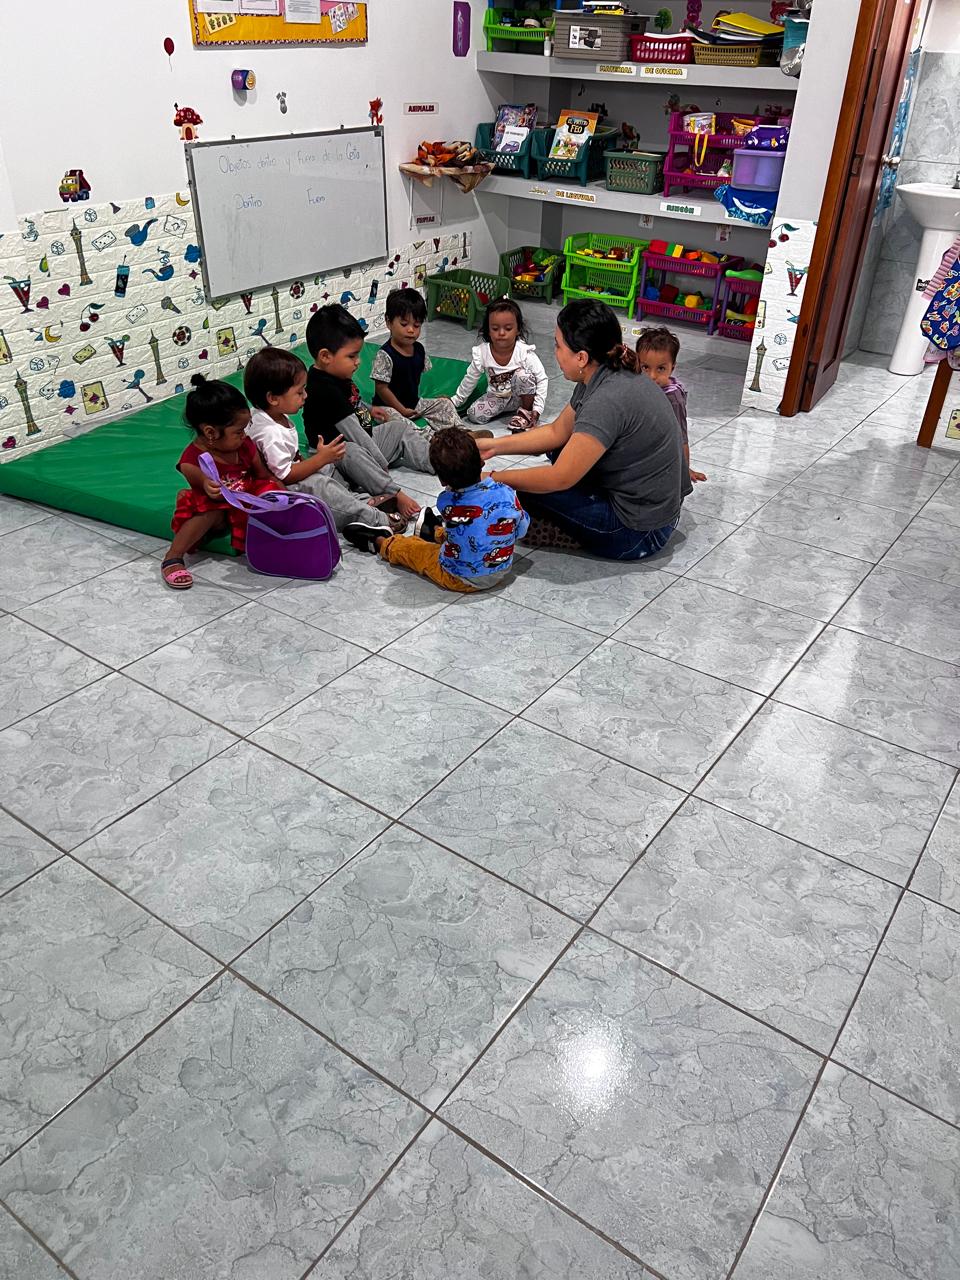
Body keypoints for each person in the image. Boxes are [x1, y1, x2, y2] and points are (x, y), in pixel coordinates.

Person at [475, 299, 691, 561]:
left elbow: (559, 478)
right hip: (652, 510)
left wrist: (492, 478)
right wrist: (493, 446)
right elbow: (556, 432)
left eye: (558, 345)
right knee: (558, 451)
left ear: (581, 357)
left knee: (518, 492)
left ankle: (564, 533)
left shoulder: (607, 399)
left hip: (640, 533)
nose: (555, 352)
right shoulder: (606, 371)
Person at [243, 347, 405, 539]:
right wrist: (320, 459)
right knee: (321, 484)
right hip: (286, 490)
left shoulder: (267, 415)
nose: (305, 396)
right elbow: (285, 476)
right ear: (273, 398)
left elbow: (289, 459)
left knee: (330, 469)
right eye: (299, 392)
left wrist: (320, 461)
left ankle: (361, 501)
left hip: (292, 475)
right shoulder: (270, 432)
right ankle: (375, 518)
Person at [344, 426, 529, 593]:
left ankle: (380, 541)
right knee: (469, 531)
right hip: (502, 569)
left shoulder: (447, 502)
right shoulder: (506, 492)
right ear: (482, 463)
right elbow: (521, 529)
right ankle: (432, 530)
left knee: (415, 552)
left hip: (459, 578)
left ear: (442, 480)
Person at [302, 304, 433, 522]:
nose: (358, 361)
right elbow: (355, 434)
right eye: (352, 356)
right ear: (325, 356)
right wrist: (381, 465)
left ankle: (439, 462)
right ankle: (390, 494)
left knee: (399, 428)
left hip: (365, 442)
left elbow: (352, 401)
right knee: (351, 450)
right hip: (335, 456)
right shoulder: (324, 389)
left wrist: (370, 409)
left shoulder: (337, 373)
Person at [162, 375, 283, 589]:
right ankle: (173, 557)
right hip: (217, 509)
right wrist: (208, 485)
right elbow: (204, 486)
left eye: (245, 428)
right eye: (238, 431)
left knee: (270, 490)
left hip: (244, 502)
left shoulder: (245, 446)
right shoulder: (193, 459)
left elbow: (264, 476)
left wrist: (289, 500)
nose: (244, 435)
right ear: (210, 432)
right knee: (210, 510)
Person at [451, 298, 548, 432]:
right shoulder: (482, 352)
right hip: (497, 397)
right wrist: (455, 401)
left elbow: (542, 379)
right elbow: (470, 379)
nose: (501, 333)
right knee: (473, 415)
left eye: (508, 328)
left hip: (521, 397)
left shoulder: (524, 352)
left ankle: (525, 411)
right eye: (495, 328)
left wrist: (537, 408)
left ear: (518, 330)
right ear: (488, 330)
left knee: (522, 375)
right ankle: (506, 410)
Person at [371, 287, 462, 429]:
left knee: (445, 404)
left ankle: (462, 432)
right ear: (389, 322)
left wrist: (424, 405)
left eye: (416, 325)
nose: (411, 330)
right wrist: (401, 410)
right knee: (400, 424)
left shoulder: (419, 349)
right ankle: (431, 439)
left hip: (413, 404)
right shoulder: (385, 355)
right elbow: (382, 389)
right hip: (388, 408)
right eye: (404, 324)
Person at [635, 325, 707, 484]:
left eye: (661, 368)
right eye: (645, 367)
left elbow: (681, 437)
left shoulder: (672, 398)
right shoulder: (640, 384)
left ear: (672, 368)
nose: (652, 376)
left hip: (662, 458)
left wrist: (684, 470)